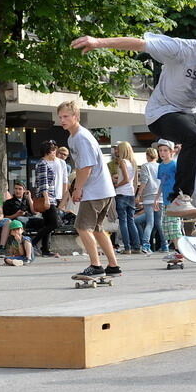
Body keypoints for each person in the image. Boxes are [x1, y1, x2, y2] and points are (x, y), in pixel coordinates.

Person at [71, 25, 196, 217]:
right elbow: (140, 44)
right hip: (163, 113)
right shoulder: (183, 49)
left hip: (194, 113)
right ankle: (180, 198)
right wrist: (98, 42)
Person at [58, 100, 121, 278]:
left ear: (76, 117)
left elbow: (86, 167)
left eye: (66, 116)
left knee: (82, 226)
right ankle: (113, 265)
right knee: (97, 228)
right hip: (103, 189)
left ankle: (96, 265)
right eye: (60, 117)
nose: (62, 120)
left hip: (95, 190)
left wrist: (78, 189)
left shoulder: (81, 137)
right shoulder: (73, 137)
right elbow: (81, 166)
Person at [31, 140, 61, 257]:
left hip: (50, 196)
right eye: (53, 150)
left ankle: (45, 249)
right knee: (55, 223)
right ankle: (33, 242)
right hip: (47, 198)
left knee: (48, 223)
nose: (55, 153)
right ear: (48, 152)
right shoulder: (43, 164)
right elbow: (43, 183)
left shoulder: (45, 164)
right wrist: (47, 198)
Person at [111, 141, 141, 254]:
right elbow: (133, 180)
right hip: (130, 194)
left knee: (123, 221)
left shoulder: (123, 161)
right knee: (131, 220)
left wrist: (116, 185)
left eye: (118, 148)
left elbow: (126, 179)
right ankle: (136, 246)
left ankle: (127, 247)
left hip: (122, 193)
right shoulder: (133, 162)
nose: (116, 150)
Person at [156, 140, 182, 258]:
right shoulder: (160, 166)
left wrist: (181, 196)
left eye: (165, 150)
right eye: (160, 150)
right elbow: (162, 183)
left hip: (175, 199)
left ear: (171, 152)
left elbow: (181, 180)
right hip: (166, 200)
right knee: (166, 226)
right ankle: (178, 249)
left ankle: (179, 250)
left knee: (174, 225)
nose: (162, 153)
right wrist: (157, 198)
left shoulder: (175, 164)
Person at [135, 147, 162, 254]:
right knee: (159, 223)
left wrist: (138, 194)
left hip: (149, 197)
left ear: (147, 155)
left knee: (149, 223)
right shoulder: (160, 166)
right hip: (159, 196)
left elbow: (144, 181)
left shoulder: (145, 166)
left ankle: (145, 244)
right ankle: (164, 245)